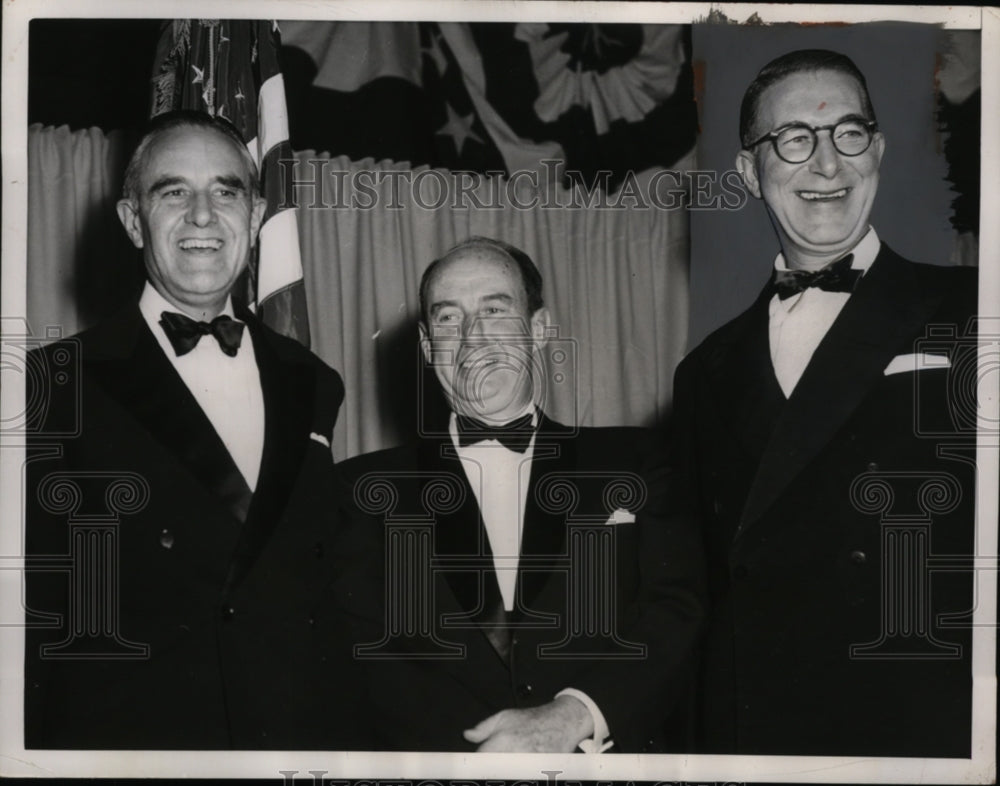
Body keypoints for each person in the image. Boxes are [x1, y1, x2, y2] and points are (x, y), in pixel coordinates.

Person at [673, 49, 977, 757]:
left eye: (847, 133)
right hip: (762, 731)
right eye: (794, 139)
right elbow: (690, 589)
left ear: (877, 149)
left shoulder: (972, 311)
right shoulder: (703, 374)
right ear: (749, 171)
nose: (827, 165)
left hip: (930, 717)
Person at [24, 110, 354, 749]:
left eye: (226, 191)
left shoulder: (311, 379)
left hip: (290, 740)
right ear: (130, 220)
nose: (203, 215)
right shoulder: (53, 383)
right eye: (173, 191)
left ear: (255, 218)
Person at [334, 237, 706, 752]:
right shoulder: (357, 493)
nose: (472, 339)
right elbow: (355, 666)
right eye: (448, 318)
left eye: (494, 310)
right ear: (425, 346)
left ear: (539, 330)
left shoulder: (638, 461)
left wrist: (575, 715)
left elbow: (677, 612)